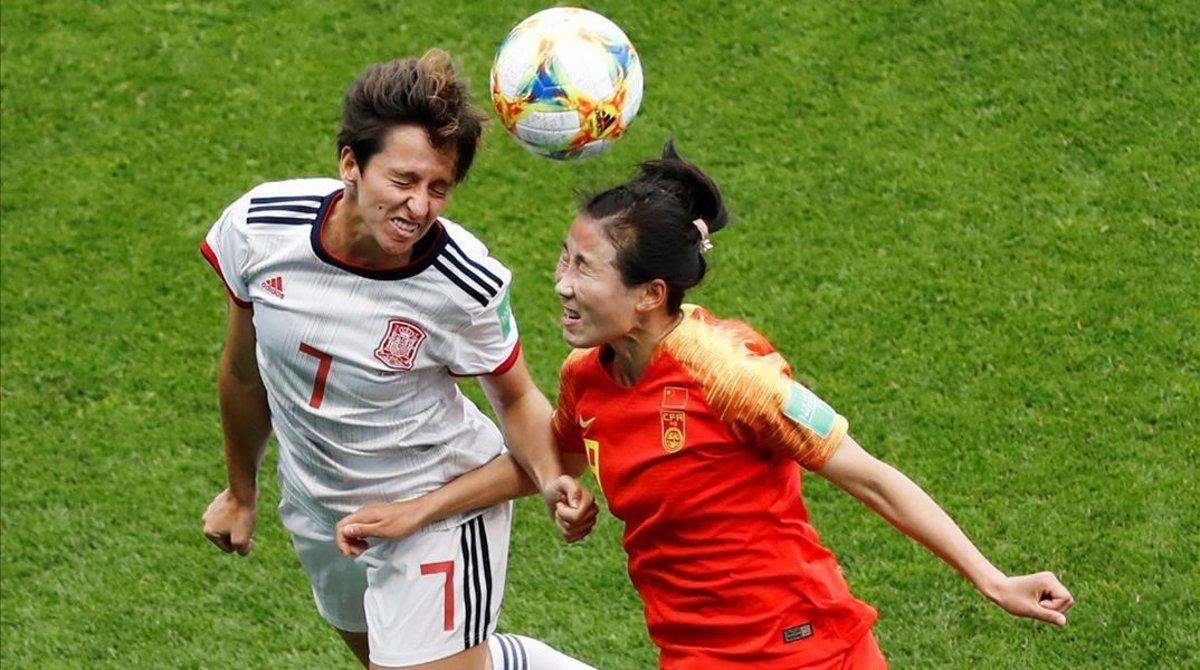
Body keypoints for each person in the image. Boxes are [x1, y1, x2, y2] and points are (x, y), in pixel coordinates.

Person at [348, 140, 1076, 668]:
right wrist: (434, 510)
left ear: (650, 296)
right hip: (692, 653)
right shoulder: (586, 377)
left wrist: (992, 579)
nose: (561, 284)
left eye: (585, 269)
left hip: (805, 650)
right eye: (564, 260)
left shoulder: (732, 375)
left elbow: (869, 476)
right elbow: (552, 461)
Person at [198, 50, 594, 670]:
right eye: (403, 182)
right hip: (321, 509)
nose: (419, 207)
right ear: (351, 164)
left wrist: (551, 481)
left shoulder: (461, 282)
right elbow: (245, 375)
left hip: (440, 508)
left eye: (439, 188)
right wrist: (241, 493)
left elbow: (515, 396)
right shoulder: (259, 229)